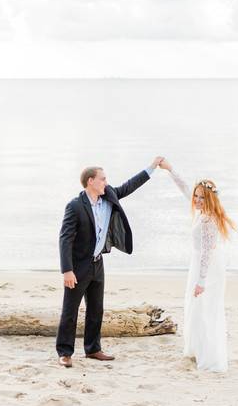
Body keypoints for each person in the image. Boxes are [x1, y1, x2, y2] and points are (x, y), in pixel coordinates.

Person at [56, 157, 163, 368]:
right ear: (90, 181)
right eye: (102, 179)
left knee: (96, 309)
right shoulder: (75, 206)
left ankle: (93, 349)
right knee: (70, 310)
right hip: (78, 267)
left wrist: (152, 167)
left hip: (98, 264)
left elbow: (129, 186)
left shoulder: (109, 195)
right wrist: (67, 270)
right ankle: (65, 353)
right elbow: (65, 238)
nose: (106, 182)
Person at [158, 158, 235, 372]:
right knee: (195, 308)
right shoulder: (201, 211)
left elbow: (207, 254)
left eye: (202, 197)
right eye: (196, 196)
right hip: (199, 264)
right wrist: (170, 169)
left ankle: (210, 356)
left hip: (208, 268)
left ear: (210, 199)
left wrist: (201, 281)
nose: (197, 200)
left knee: (205, 310)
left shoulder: (210, 221)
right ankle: (195, 349)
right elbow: (185, 188)